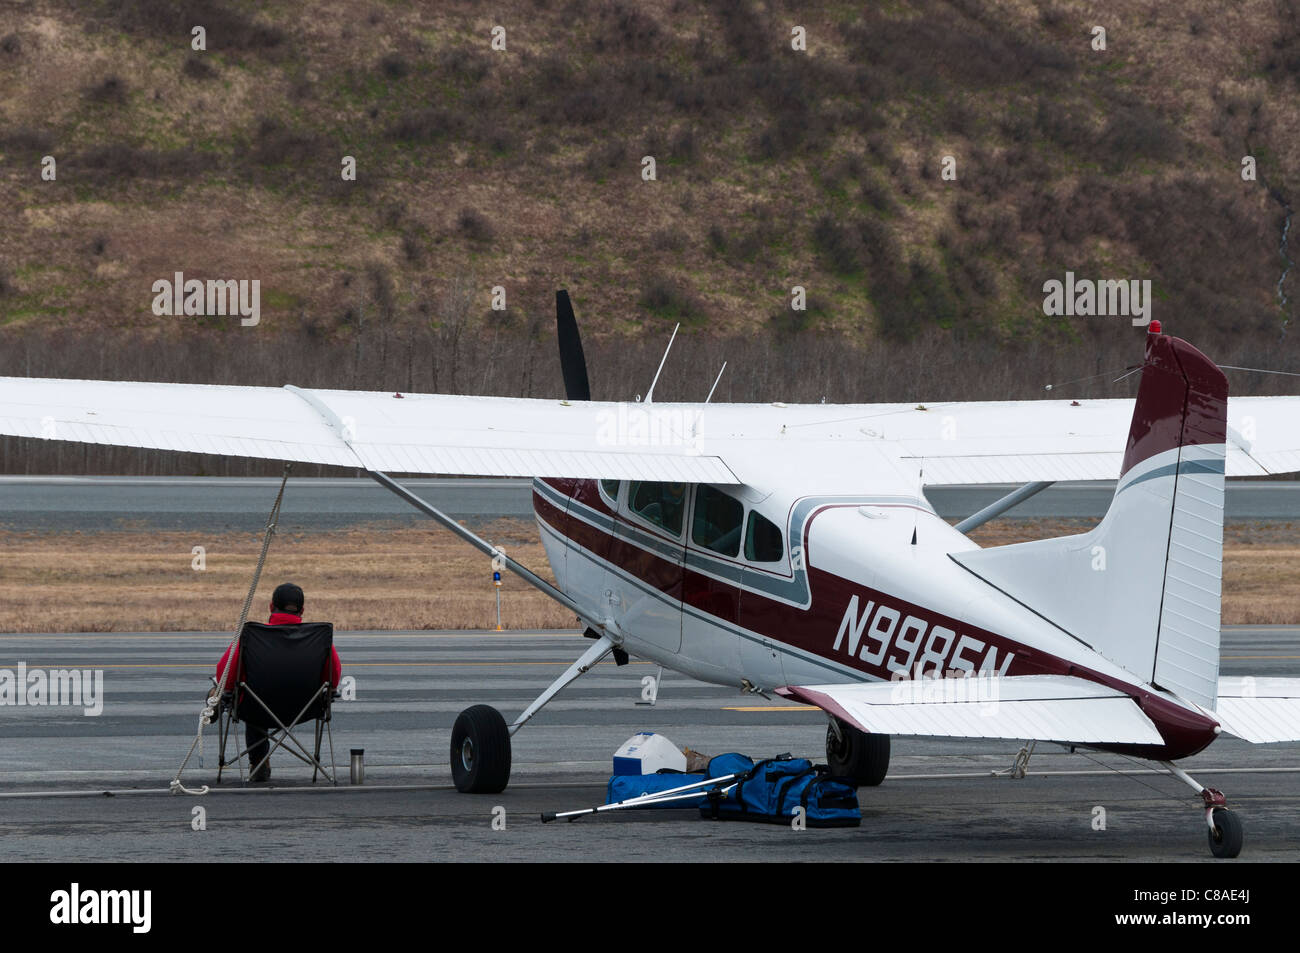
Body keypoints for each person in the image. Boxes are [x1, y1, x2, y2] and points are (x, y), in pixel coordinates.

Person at [213, 582, 342, 782]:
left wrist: (225, 693)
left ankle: (259, 762)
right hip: (306, 707)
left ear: (271, 607)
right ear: (302, 610)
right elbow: (333, 678)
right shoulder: (319, 637)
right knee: (255, 698)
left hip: (256, 708)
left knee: (242, 697)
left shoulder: (252, 635)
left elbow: (224, 675)